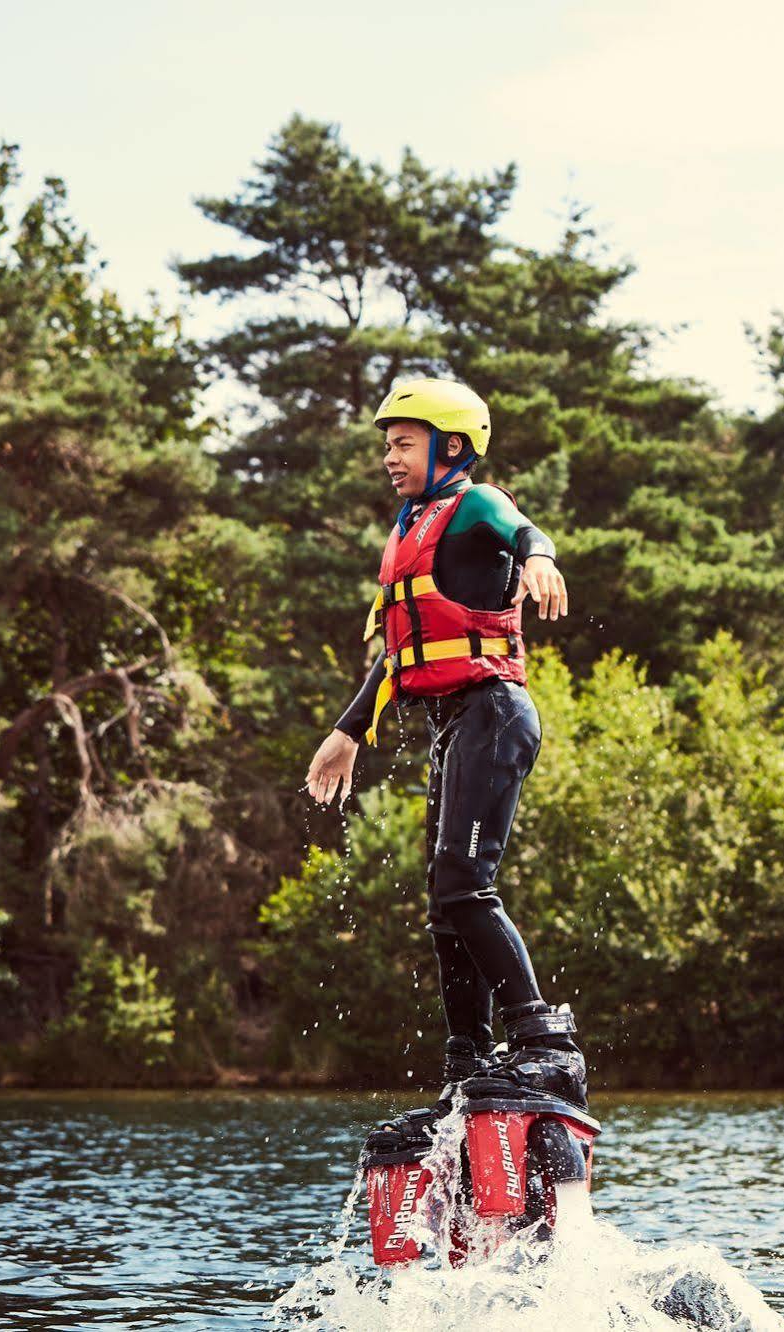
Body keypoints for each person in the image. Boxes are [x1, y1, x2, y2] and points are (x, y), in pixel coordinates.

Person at [304, 377, 588, 1125]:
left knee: (464, 883)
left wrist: (539, 561)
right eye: (387, 446)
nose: (389, 458)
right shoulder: (408, 528)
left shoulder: (476, 504)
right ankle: (467, 1062)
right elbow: (399, 652)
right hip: (454, 724)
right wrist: (346, 733)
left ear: (450, 445)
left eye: (402, 443)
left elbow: (526, 534)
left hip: (494, 712)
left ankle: (542, 1039)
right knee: (443, 902)